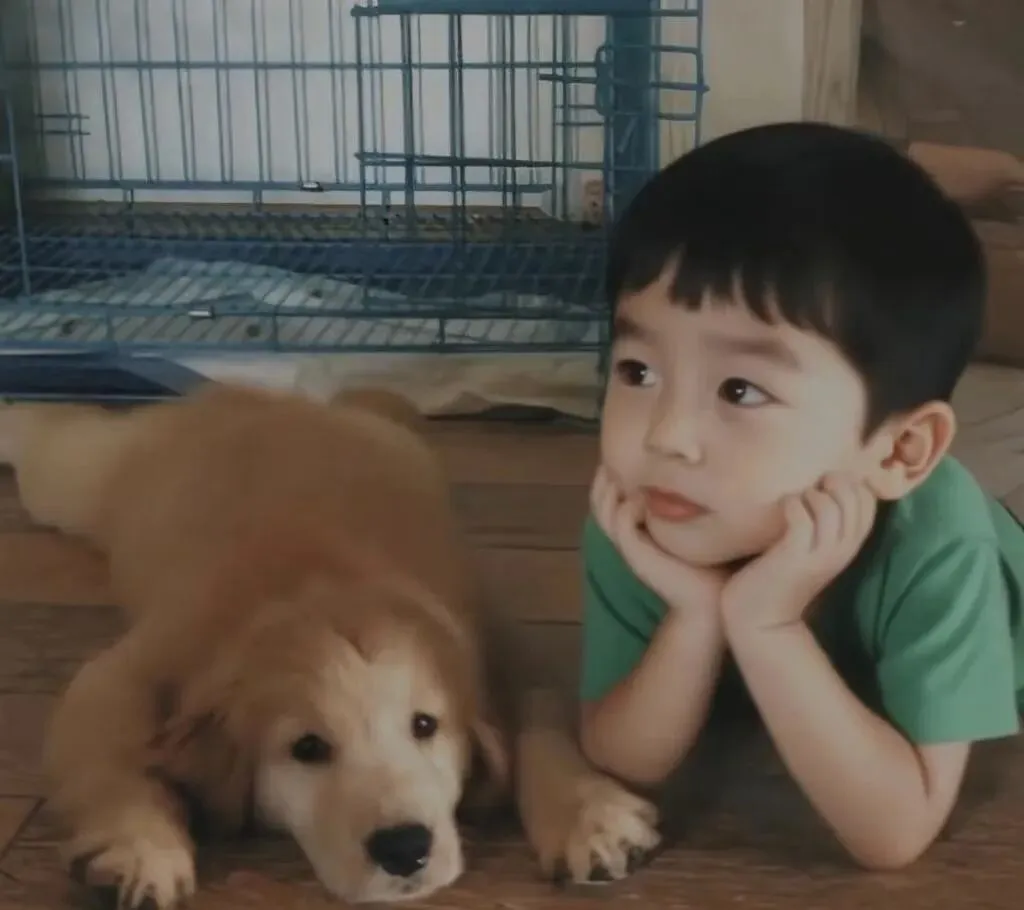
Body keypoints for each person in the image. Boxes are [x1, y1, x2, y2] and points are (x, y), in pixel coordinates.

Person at [579, 121, 1024, 871]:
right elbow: (622, 757)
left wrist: (767, 624)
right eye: (638, 372)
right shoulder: (649, 510)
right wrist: (694, 616)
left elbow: (894, 832)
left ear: (899, 451)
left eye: (740, 389)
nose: (665, 435)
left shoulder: (941, 540)